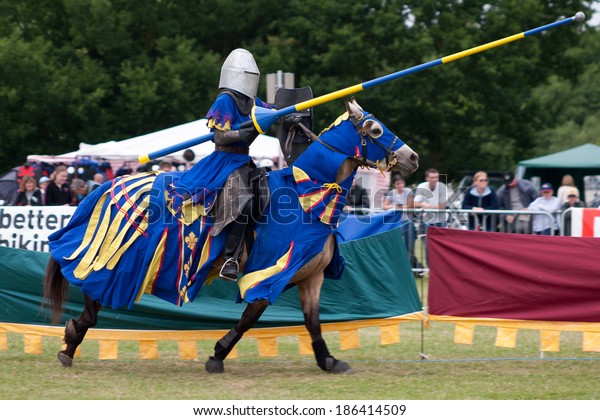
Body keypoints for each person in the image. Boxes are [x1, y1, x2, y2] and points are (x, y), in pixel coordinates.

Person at [177, 48, 273, 281]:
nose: (249, 79)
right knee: (242, 202)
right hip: (224, 160)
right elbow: (220, 137)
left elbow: (271, 111)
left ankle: (255, 251)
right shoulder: (225, 100)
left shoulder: (252, 101)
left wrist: (289, 112)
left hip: (243, 160)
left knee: (267, 196)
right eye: (245, 74)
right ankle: (230, 259)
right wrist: (246, 129)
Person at [383, 174, 420, 269]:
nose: (400, 185)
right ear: (394, 184)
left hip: (408, 222)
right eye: (398, 183)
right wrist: (396, 207)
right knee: (396, 245)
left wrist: (398, 207)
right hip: (396, 223)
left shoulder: (408, 192)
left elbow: (410, 205)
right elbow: (385, 206)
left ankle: (411, 267)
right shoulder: (391, 193)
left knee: (409, 246)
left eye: (402, 183)